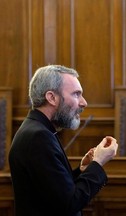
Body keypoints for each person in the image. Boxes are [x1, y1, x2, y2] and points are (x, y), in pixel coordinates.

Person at [9, 65, 118, 216]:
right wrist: (98, 162)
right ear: (52, 97)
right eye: (76, 94)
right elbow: (69, 204)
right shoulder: (38, 137)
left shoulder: (38, 129)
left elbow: (53, 191)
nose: (83, 102)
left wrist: (82, 171)